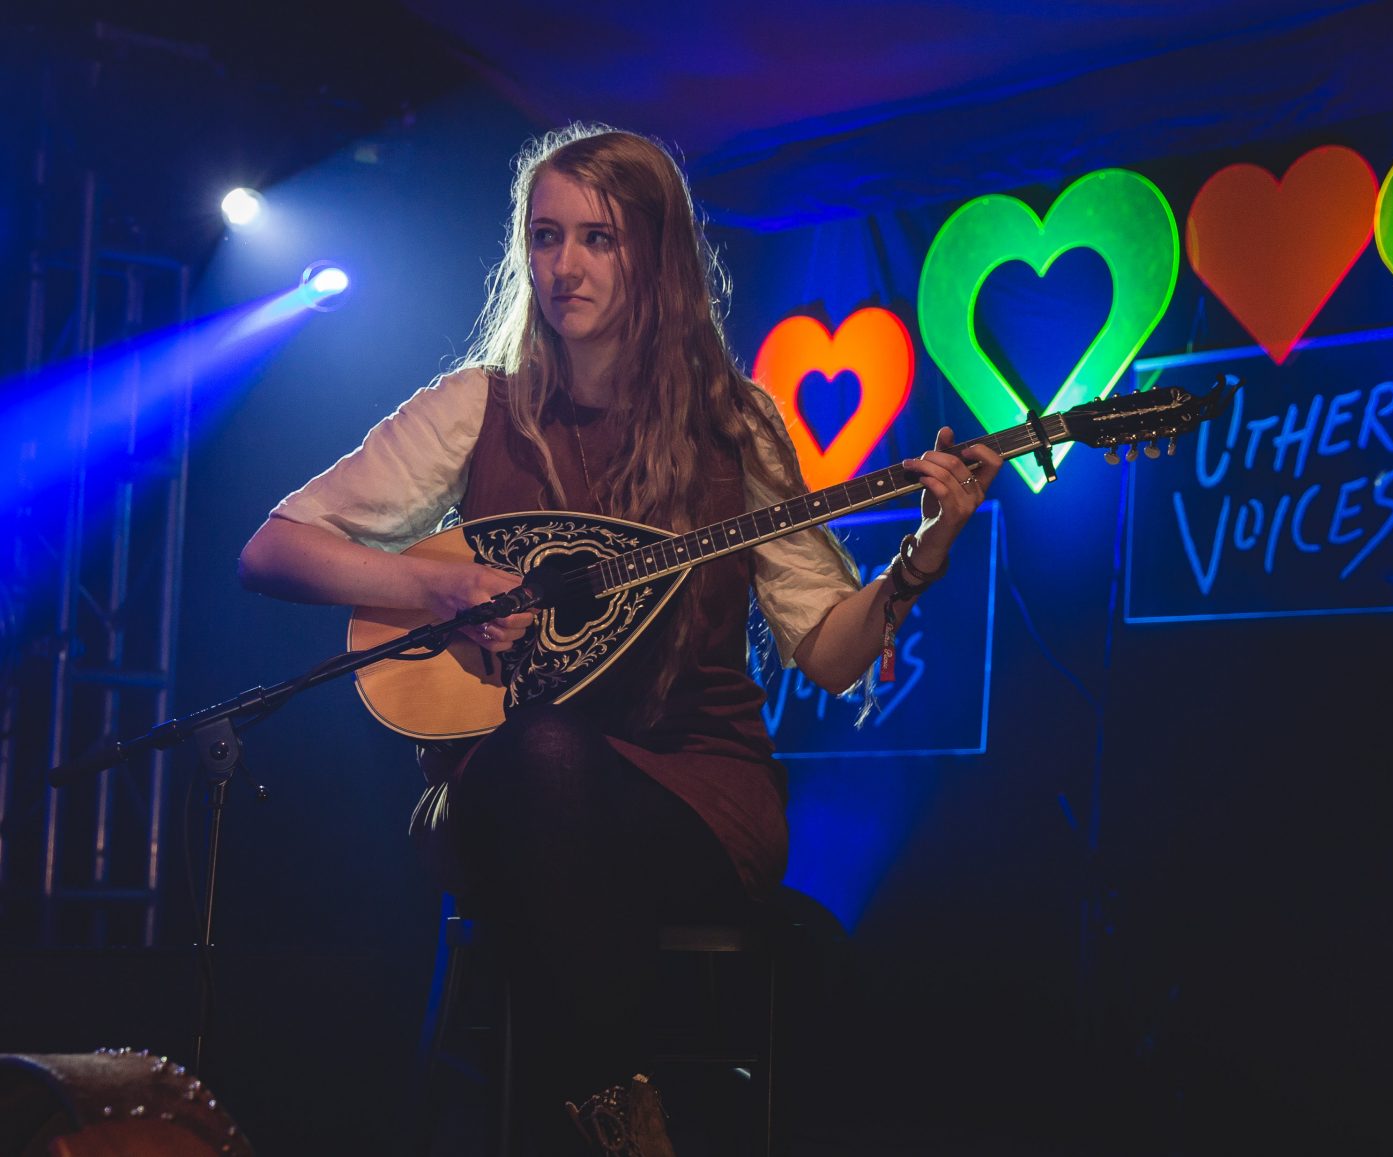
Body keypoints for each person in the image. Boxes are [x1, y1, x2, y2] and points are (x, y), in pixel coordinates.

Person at [236, 123, 1000, 1156]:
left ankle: (582, 1115)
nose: (564, 266)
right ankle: (621, 1118)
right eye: (544, 238)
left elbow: (826, 648)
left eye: (598, 239)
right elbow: (274, 547)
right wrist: (435, 583)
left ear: (658, 257)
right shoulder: (478, 408)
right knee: (537, 757)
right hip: (499, 784)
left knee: (544, 807)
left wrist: (920, 556)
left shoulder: (739, 426)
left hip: (697, 794)